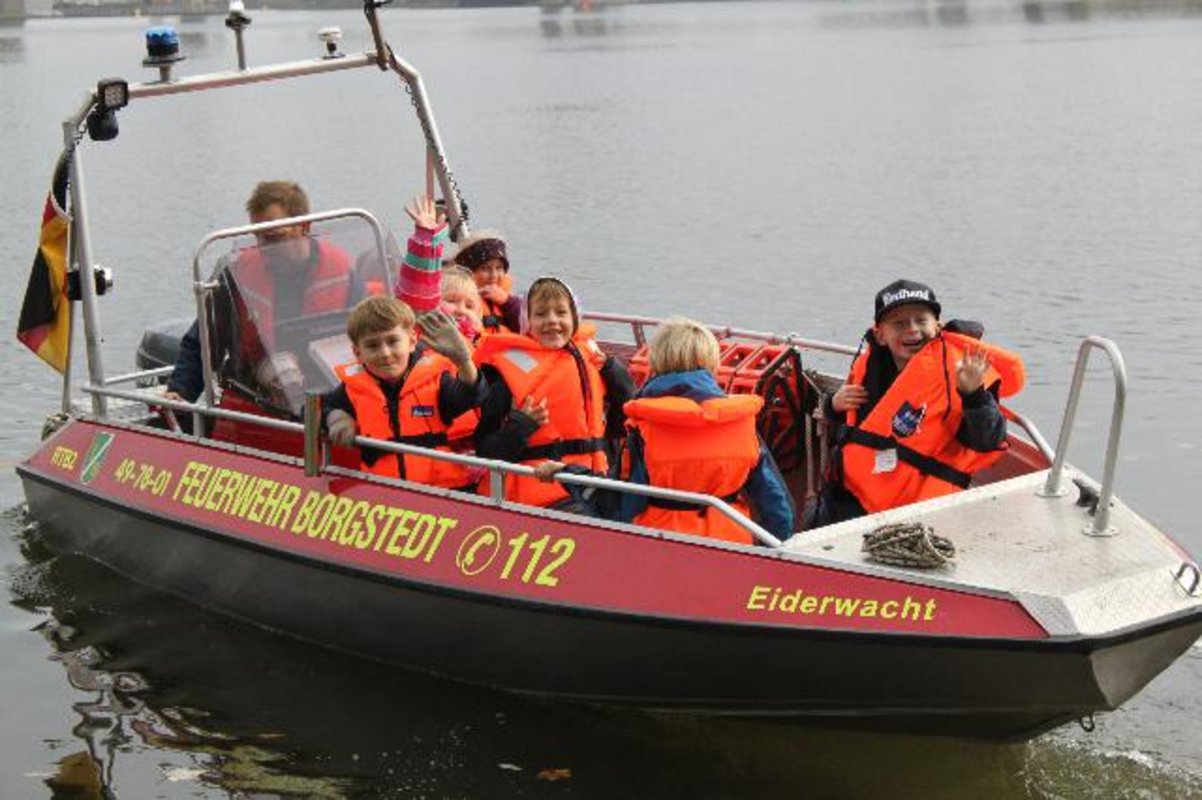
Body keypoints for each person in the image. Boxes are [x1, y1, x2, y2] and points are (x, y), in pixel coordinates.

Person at [538, 317, 795, 543]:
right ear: (712, 365)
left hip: (661, 552)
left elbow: (619, 509)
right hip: (732, 549)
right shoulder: (742, 424)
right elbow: (779, 509)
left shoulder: (644, 430)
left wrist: (568, 474)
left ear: (657, 363)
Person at [806, 279, 1025, 528]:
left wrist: (974, 395)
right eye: (899, 323)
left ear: (938, 326)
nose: (912, 329)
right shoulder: (872, 369)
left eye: (921, 320)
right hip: (849, 498)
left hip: (916, 515)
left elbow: (987, 440)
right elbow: (856, 426)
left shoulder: (964, 373)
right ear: (880, 335)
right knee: (810, 524)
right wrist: (833, 405)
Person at [165, 180, 363, 410]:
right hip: (254, 402)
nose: (264, 247)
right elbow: (204, 342)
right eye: (257, 236)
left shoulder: (342, 275)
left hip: (328, 400)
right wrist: (179, 391)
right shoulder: (238, 276)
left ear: (304, 227)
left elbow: (370, 336)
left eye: (274, 237)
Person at [473, 276, 633, 508]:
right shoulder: (506, 375)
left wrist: (614, 371)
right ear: (527, 321)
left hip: (593, 485)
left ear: (574, 318)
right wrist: (520, 426)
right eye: (540, 314)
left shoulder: (593, 362)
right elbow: (485, 451)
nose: (552, 321)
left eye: (561, 313)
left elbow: (624, 418)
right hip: (539, 494)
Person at [323, 296, 486, 491]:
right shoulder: (350, 389)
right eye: (373, 346)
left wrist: (463, 361)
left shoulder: (436, 382)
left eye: (393, 341)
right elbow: (320, 408)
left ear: (412, 341)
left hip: (445, 494)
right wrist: (337, 418)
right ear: (358, 353)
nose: (385, 353)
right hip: (383, 497)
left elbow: (471, 395)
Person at [450, 230, 524, 334]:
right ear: (468, 272)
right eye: (484, 268)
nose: (493, 276)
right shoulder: (454, 299)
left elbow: (526, 326)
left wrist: (507, 302)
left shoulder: (511, 302)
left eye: (499, 268)